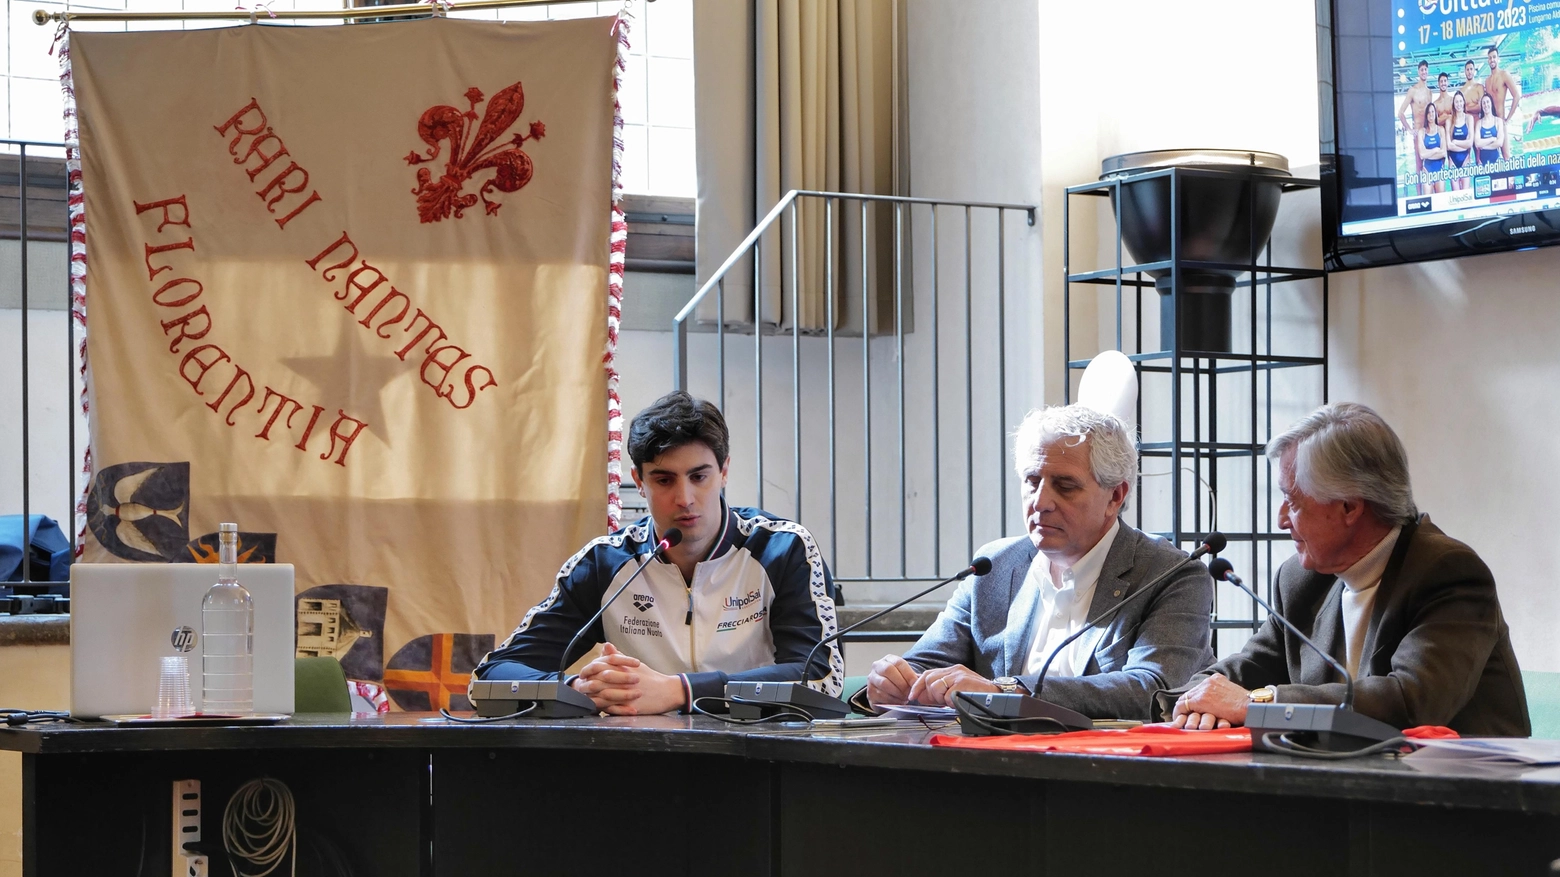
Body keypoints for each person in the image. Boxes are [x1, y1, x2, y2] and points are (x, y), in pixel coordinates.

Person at [470, 391, 842, 714]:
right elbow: (488, 679)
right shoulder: (605, 563)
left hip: (757, 756)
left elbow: (821, 678)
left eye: (699, 476)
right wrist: (579, 690)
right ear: (639, 481)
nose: (684, 499)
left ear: (724, 471)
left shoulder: (784, 547)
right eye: (664, 480)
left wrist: (680, 690)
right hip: (641, 763)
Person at [1168, 403, 1529, 736]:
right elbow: (1247, 669)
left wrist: (1255, 703)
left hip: (1460, 795)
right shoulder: (1301, 579)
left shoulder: (1447, 573)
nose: (1280, 520)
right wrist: (1191, 699)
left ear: (1349, 508)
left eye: (1292, 501)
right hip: (1340, 787)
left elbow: (1411, 701)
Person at [856, 404, 1214, 721]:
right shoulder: (993, 567)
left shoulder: (1171, 575)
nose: (1040, 501)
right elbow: (926, 663)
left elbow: (1152, 689)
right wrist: (893, 682)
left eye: (1065, 485)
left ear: (1115, 496)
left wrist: (1009, 692)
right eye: (1032, 481)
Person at [1398, 61, 1433, 184]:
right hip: (1418, 134)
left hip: (1429, 133)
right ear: (1418, 72)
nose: (1424, 72)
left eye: (1425, 69)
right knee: (1419, 166)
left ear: (1428, 71)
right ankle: (1419, 196)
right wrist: (1409, 129)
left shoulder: (1429, 92)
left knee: (1430, 165)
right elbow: (1400, 113)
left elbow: (1431, 114)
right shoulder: (1412, 90)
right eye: (1422, 69)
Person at [1485, 45, 1522, 160]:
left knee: (1506, 157)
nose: (1492, 60)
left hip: (1501, 121)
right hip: (1490, 124)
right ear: (1488, 60)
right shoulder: (1487, 81)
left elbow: (1516, 96)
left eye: (1494, 57)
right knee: (1491, 158)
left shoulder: (1504, 75)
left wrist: (1508, 118)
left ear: (1498, 58)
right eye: (1490, 58)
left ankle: (1511, 178)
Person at [1417, 106, 1447, 195]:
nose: (1431, 114)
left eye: (1433, 111)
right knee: (1428, 203)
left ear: (1436, 114)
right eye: (1429, 112)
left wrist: (1428, 153)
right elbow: (1422, 155)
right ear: (1426, 115)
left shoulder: (1441, 130)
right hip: (1427, 171)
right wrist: (1435, 150)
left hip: (1439, 170)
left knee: (1441, 203)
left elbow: (1444, 153)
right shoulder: (1421, 132)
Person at [1446, 90, 1472, 187]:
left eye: (1460, 101)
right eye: (1456, 102)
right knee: (1455, 197)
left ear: (1464, 102)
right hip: (1452, 160)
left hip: (1465, 159)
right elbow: (1449, 145)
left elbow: (1470, 143)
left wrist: (1455, 142)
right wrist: (1464, 145)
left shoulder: (1469, 118)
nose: (1459, 104)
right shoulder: (1449, 120)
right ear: (1453, 104)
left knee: (1465, 194)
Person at [1476, 92, 1505, 166]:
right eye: (1484, 103)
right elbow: (1477, 143)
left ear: (1491, 103)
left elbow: (1500, 142)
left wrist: (1484, 147)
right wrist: (1492, 139)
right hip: (1483, 162)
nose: (1486, 105)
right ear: (1482, 106)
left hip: (1496, 161)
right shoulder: (1479, 123)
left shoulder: (1498, 121)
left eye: (1487, 102)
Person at [1460, 59, 1486, 131]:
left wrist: (1467, 108)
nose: (1469, 72)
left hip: (1478, 124)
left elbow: (1481, 107)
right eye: (1467, 70)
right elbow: (1460, 110)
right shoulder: (1461, 91)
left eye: (1471, 69)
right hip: (1466, 126)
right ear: (1465, 71)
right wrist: (1475, 107)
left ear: (1474, 70)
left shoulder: (1479, 87)